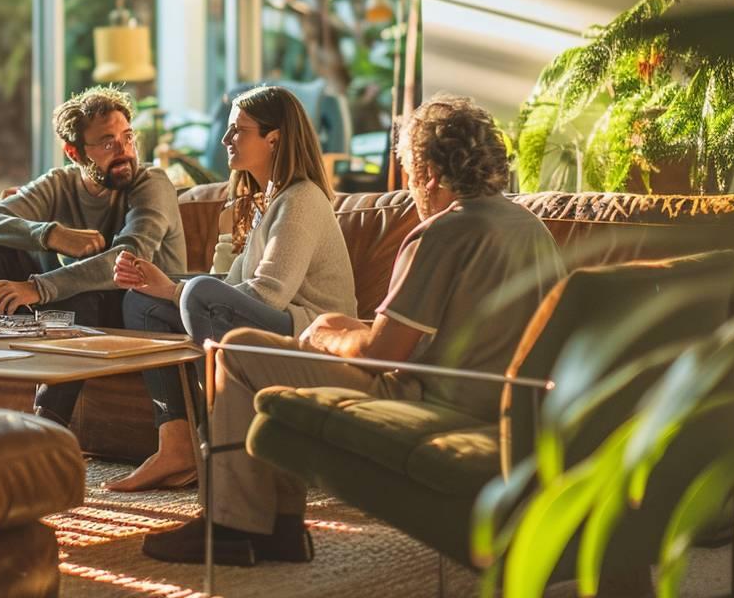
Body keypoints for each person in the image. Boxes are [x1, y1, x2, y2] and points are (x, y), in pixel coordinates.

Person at [141, 95, 566, 565]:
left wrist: (327, 332)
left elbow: (381, 352)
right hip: (507, 407)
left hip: (425, 398)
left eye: (407, 173)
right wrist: (351, 327)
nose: (409, 188)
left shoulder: (443, 232)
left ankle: (233, 524)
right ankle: (278, 527)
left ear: (427, 171)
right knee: (249, 348)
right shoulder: (532, 230)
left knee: (237, 349)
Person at [106, 85, 355, 492]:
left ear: (274, 138)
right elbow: (235, 289)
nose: (225, 141)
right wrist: (164, 286)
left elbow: (266, 296)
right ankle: (177, 445)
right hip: (268, 318)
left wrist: (177, 290)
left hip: (306, 335)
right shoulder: (271, 200)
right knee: (140, 302)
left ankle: (222, 443)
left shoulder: (302, 200)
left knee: (197, 291)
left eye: (238, 130)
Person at [0, 85, 187, 426]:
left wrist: (38, 288)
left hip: (140, 308)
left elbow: (129, 259)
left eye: (128, 137)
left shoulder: (151, 182)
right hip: (66, 309)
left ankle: (47, 424)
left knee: (81, 293)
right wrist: (52, 235)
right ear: (74, 153)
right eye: (108, 143)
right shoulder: (58, 184)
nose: (123, 151)